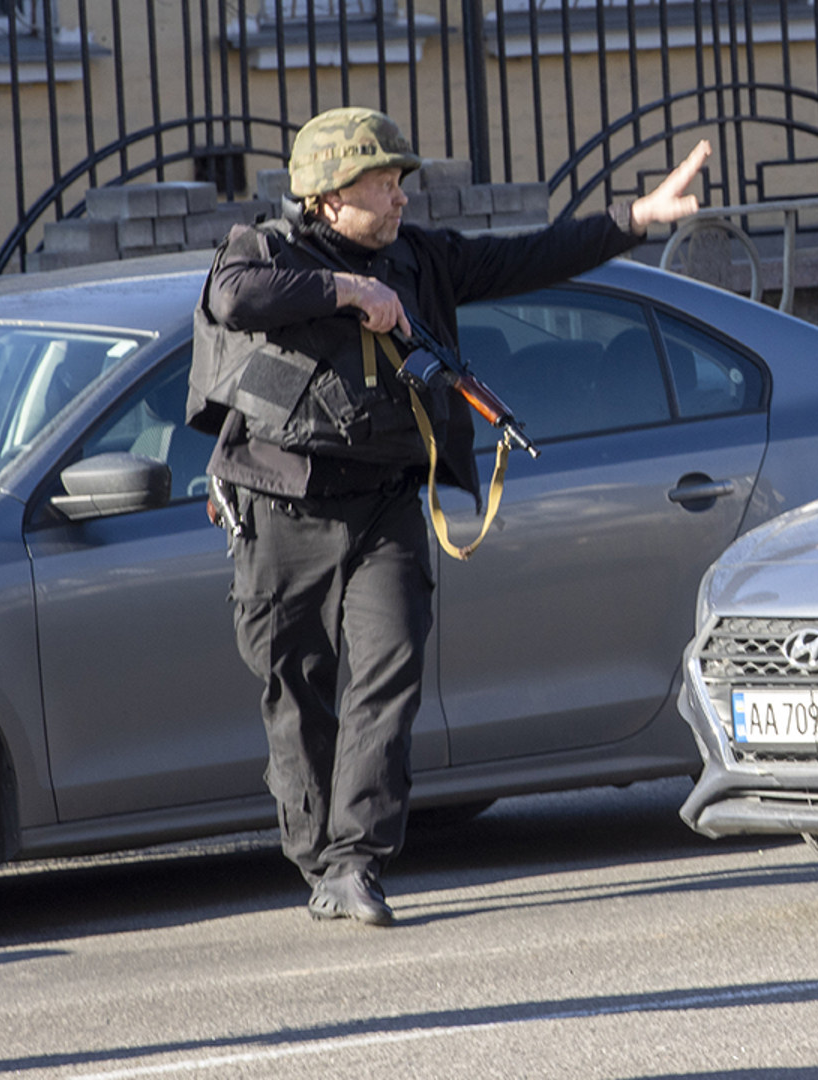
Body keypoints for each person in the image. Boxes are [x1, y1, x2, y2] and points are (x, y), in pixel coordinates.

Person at [186, 107, 711, 926]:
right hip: (280, 506)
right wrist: (349, 290)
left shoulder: (420, 258)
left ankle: (358, 859)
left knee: (388, 673)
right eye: (381, 186)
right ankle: (318, 857)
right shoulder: (266, 252)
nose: (398, 200)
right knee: (297, 687)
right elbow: (234, 297)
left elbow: (522, 257)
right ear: (327, 198)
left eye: (400, 184)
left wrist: (632, 219)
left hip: (388, 501)